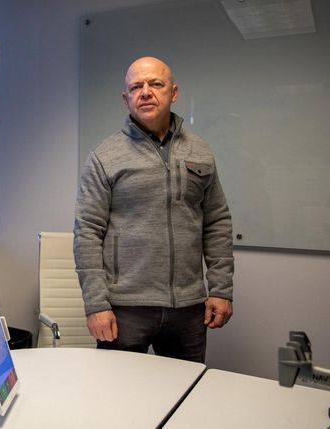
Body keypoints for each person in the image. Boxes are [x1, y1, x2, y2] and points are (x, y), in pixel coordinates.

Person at [73, 56, 234, 363]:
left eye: (155, 84)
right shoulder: (104, 157)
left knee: (184, 397)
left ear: (173, 93)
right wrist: (96, 304)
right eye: (136, 86)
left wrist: (221, 289)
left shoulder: (199, 150)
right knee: (120, 399)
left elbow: (217, 222)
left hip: (188, 309)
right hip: (125, 309)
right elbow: (87, 233)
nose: (145, 92)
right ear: (126, 98)